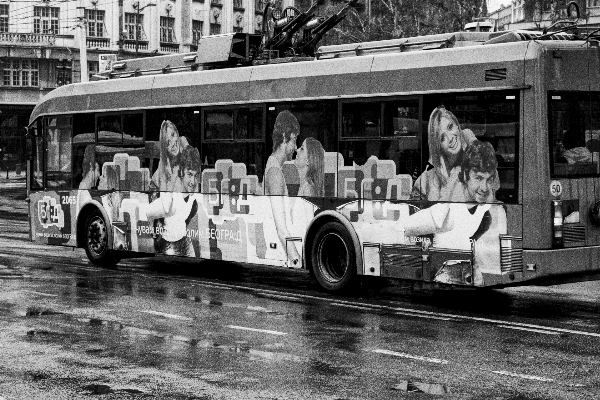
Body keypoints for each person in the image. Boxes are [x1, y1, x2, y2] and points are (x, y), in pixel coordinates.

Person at [405, 140, 507, 285]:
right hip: (447, 277)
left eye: (488, 179)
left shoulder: (489, 210)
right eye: (478, 178)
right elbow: (405, 227)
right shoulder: (445, 210)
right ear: (465, 175)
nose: (485, 187)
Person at [142, 145, 201, 257]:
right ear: (182, 172)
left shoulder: (193, 196)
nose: (193, 181)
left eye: (195, 175)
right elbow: (148, 212)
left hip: (185, 241)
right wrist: (153, 233)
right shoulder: (170, 197)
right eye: (189, 174)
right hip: (169, 244)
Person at [410, 106, 476, 202]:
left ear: (457, 125)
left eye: (450, 127)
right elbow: (414, 207)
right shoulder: (429, 177)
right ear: (439, 146)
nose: (450, 139)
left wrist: (474, 146)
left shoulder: (475, 163)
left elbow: (493, 185)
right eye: (442, 138)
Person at [264, 110, 301, 267]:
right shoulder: (275, 173)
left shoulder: (273, 167)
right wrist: (297, 261)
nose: (295, 147)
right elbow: (281, 229)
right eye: (294, 140)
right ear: (284, 138)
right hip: (282, 253)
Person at [150, 120, 189, 192]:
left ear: (177, 133)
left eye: (173, 134)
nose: (173, 143)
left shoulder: (185, 150)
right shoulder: (164, 165)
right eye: (168, 143)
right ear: (165, 149)